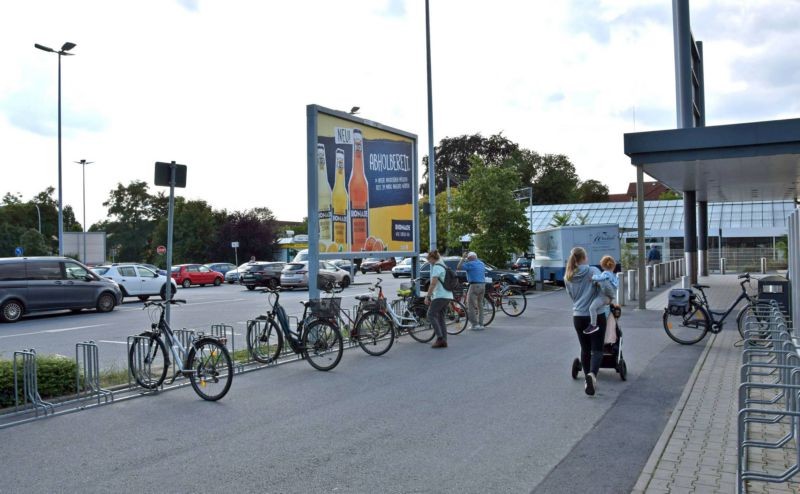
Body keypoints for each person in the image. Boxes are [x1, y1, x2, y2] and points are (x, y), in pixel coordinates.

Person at [565, 246, 607, 396]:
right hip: (595, 315)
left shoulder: (568, 275)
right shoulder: (593, 271)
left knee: (585, 349)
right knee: (597, 350)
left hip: (578, 316)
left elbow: (572, 297)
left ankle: (587, 376)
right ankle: (591, 376)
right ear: (583, 258)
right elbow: (604, 287)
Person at [425, 250, 453, 348]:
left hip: (440, 295)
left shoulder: (437, 267)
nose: (429, 262)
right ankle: (444, 340)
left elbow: (433, 284)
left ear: (432, 258)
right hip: (448, 295)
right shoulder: (443, 266)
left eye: (429, 260)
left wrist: (428, 296)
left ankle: (440, 338)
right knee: (441, 318)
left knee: (430, 314)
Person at [584, 255, 618, 335]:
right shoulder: (613, 275)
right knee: (605, 311)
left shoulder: (605, 273)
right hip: (608, 297)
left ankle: (593, 325)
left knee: (592, 308)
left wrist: (592, 277)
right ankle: (605, 325)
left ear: (602, 266)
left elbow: (600, 278)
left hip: (603, 297)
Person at [458, 251, 486, 330]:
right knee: (480, 305)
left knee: (471, 305)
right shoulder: (481, 263)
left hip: (474, 285)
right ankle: (481, 324)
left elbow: (459, 267)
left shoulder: (470, 264)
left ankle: (475, 325)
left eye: (468, 258)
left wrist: (463, 258)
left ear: (470, 258)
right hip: (483, 285)